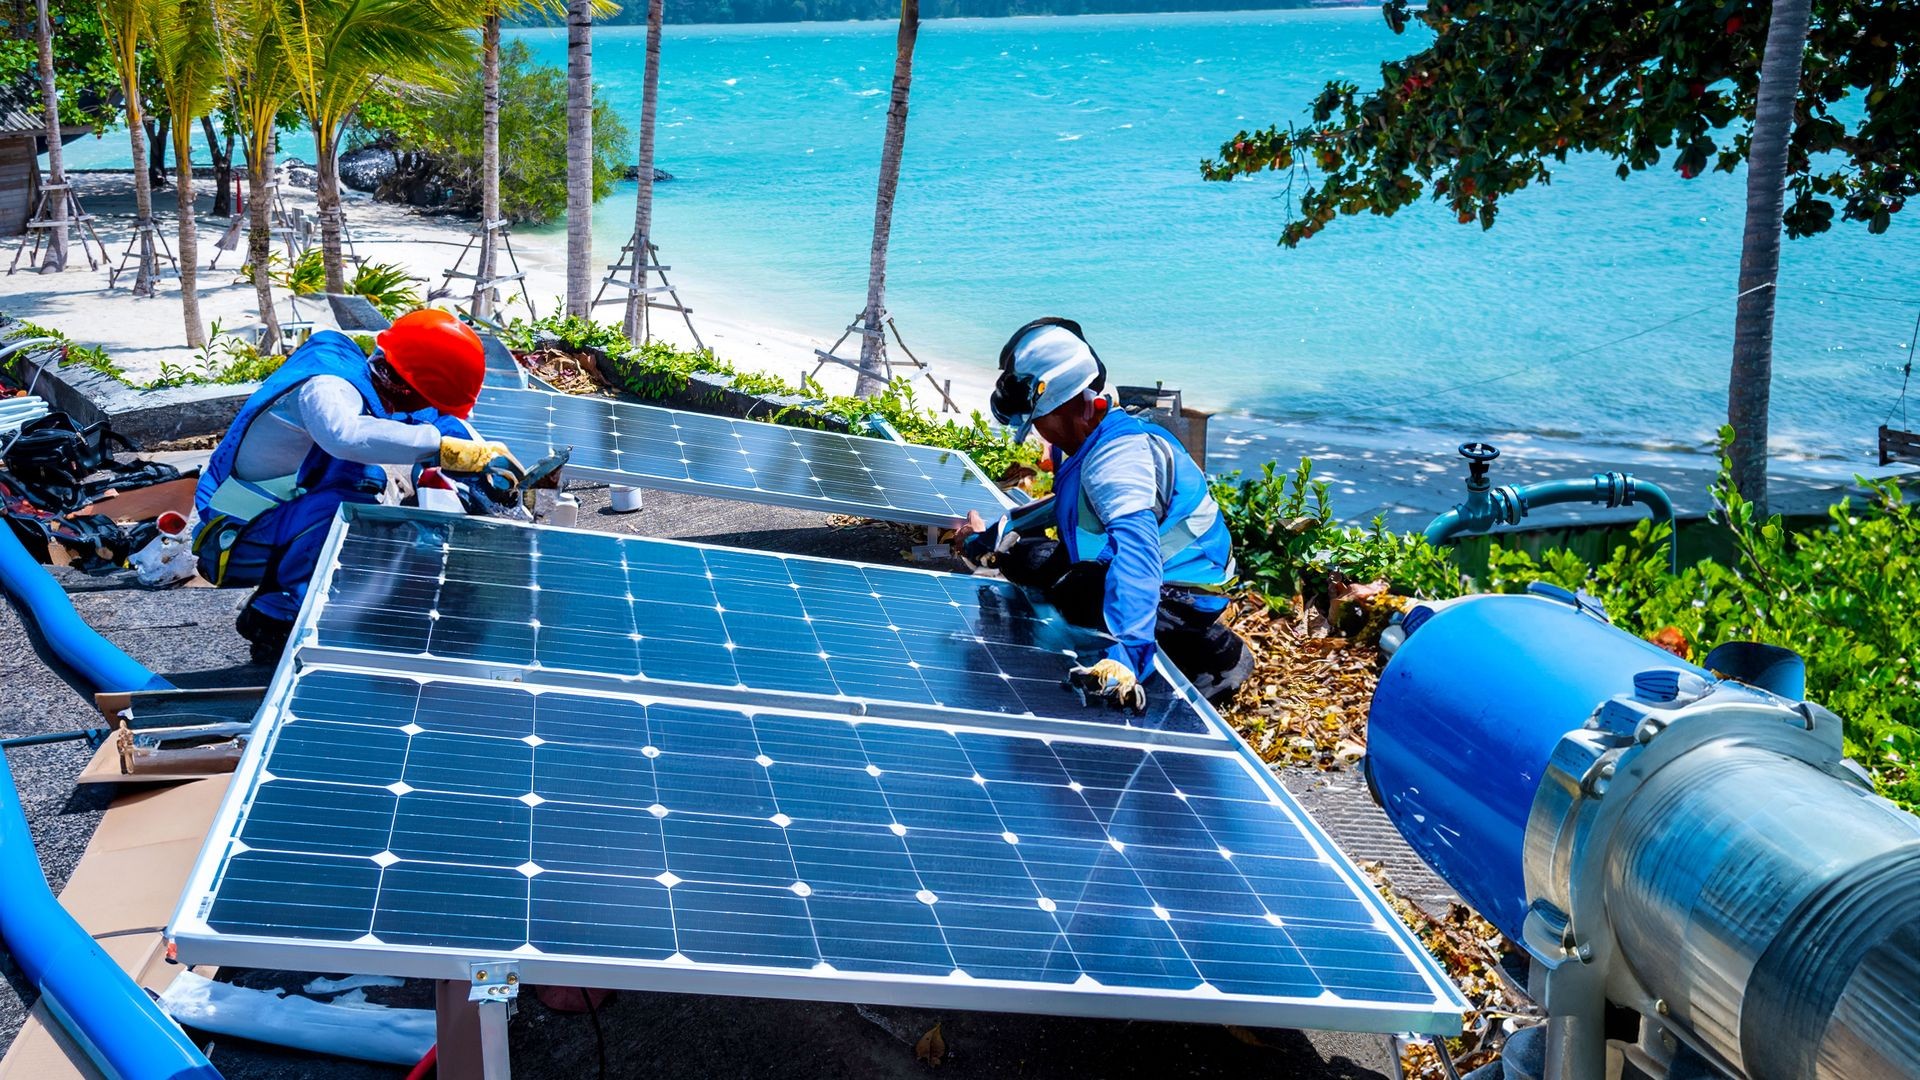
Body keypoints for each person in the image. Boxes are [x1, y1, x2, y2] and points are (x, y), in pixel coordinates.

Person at [956, 317, 1253, 709]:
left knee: (1076, 593)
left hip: (1184, 592)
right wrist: (995, 534)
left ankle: (1212, 653)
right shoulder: (1088, 435)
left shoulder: (1117, 459)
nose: (1039, 434)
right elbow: (1067, 505)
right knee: (1029, 557)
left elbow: (1137, 553)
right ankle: (1161, 637)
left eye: (1039, 421)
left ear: (1072, 405)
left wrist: (1126, 655)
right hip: (1160, 572)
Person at [192, 310, 517, 660]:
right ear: (406, 385)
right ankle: (276, 616)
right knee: (348, 511)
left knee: (368, 481)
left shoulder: (381, 380)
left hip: (277, 512)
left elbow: (438, 421)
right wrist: (441, 447)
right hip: (232, 533)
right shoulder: (327, 387)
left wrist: (490, 459)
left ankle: (317, 588)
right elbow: (345, 436)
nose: (427, 407)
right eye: (427, 397)